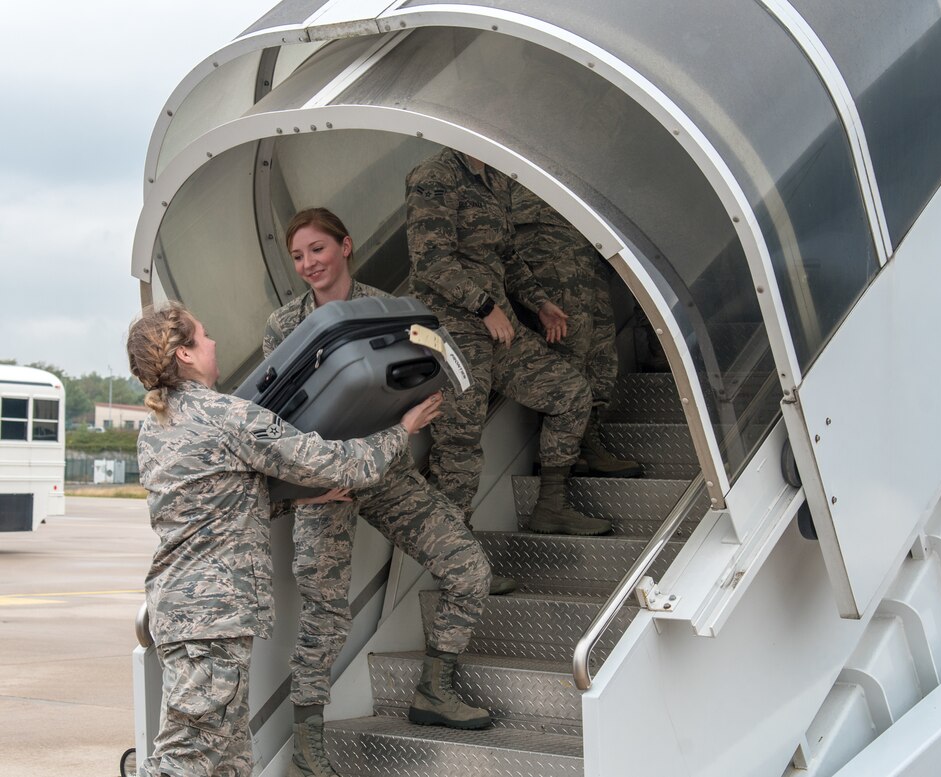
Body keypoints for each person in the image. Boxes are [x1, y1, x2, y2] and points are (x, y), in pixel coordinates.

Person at [128, 302, 442, 777]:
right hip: (213, 619)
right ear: (185, 355)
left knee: (229, 760)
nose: (214, 343)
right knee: (185, 762)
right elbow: (333, 463)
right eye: (204, 335)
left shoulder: (156, 427)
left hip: (189, 613)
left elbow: (212, 504)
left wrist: (297, 503)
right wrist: (403, 430)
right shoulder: (228, 416)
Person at [267, 208, 498, 777]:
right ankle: (307, 737)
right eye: (298, 257)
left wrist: (422, 412)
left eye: (317, 250)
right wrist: (301, 490)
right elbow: (274, 418)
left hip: (387, 468)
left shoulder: (388, 312)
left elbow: (432, 366)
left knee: (468, 566)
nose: (308, 265)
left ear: (346, 246)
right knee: (325, 612)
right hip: (325, 485)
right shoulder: (283, 326)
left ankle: (433, 692)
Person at [404, 147, 612, 536]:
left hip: (499, 330)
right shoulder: (435, 175)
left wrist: (541, 303)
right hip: (451, 334)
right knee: (458, 446)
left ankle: (551, 507)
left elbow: (509, 257)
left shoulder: (495, 176)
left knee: (571, 393)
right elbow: (429, 261)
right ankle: (460, 561)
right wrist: (483, 306)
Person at [509, 182, 642, 478]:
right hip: (543, 224)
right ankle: (564, 451)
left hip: (581, 224)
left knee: (600, 342)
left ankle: (586, 440)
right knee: (571, 339)